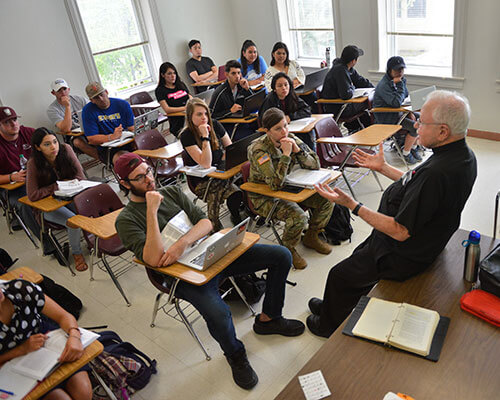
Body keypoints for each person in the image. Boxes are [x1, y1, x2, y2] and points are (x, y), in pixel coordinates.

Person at [114, 152, 305, 390]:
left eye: (149, 172)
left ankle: (270, 319)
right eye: (140, 177)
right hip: (180, 274)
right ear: (124, 183)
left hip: (207, 253)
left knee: (281, 256)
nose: (150, 180)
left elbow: (206, 223)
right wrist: (151, 211)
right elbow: (152, 258)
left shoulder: (172, 192)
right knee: (219, 313)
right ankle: (235, 354)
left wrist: (181, 244)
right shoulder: (126, 219)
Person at [307, 90, 477, 338]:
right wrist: (384, 167)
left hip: (405, 252)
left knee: (338, 275)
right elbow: (418, 184)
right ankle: (334, 307)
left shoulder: (438, 172)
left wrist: (353, 205)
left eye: (421, 121)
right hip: (423, 238)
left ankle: (327, 326)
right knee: (356, 258)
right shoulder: (462, 156)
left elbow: (400, 231)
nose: (416, 125)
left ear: (443, 131)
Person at [247, 108, 333, 269]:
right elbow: (274, 184)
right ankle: (288, 248)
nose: (284, 131)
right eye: (278, 129)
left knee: (327, 198)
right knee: (298, 216)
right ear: (267, 131)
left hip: (288, 187)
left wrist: (298, 151)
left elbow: (316, 165)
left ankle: (311, 236)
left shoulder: (290, 137)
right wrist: (286, 155)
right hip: (264, 196)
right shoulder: (259, 150)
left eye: (285, 126)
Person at [0, 279, 92, 399]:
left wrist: (74, 335)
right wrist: (20, 350)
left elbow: (63, 316)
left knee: (83, 392)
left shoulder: (19, 289)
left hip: (47, 342)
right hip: (12, 363)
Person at [26, 128, 88, 272]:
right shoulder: (33, 163)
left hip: (71, 197)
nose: (53, 147)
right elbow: (33, 195)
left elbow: (80, 177)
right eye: (47, 144)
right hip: (48, 206)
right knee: (74, 222)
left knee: (91, 209)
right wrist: (57, 186)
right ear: (38, 147)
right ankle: (77, 253)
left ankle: (92, 242)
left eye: (55, 142)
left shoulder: (66, 149)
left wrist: (64, 186)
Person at [180, 98, 243, 230]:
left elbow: (230, 149)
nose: (204, 117)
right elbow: (206, 163)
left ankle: (232, 216)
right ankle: (214, 225)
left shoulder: (214, 124)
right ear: (190, 117)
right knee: (228, 189)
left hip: (221, 172)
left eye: (205, 113)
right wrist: (205, 137)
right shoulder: (186, 135)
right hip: (202, 180)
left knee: (238, 187)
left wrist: (224, 164)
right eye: (199, 114)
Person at [0, 106, 55, 254]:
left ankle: (71, 224)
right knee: (24, 204)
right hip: (11, 186)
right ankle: (47, 243)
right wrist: (12, 177)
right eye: (7, 122)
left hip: (37, 177)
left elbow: (50, 146)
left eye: (14, 119)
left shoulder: (29, 133)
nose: (13, 124)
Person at [373, 56, 422, 164]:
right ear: (389, 70)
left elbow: (405, 96)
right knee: (415, 128)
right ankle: (405, 153)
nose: (400, 72)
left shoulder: (399, 80)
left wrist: (410, 113)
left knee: (422, 118)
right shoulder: (384, 85)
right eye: (397, 70)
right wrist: (400, 84)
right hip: (387, 118)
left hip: (398, 114)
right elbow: (396, 103)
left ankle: (413, 147)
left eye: (402, 69)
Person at [81, 82, 135, 165]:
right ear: (92, 100)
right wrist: (112, 137)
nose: (101, 99)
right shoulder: (88, 111)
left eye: (102, 94)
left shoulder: (123, 104)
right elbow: (92, 138)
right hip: (107, 148)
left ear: (106, 92)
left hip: (127, 141)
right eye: (96, 98)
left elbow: (132, 127)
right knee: (125, 160)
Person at [321, 45, 373, 130]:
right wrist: (352, 87)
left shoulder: (348, 68)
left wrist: (374, 89)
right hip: (337, 107)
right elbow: (346, 95)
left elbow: (360, 81)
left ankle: (355, 127)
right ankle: (367, 130)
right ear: (353, 61)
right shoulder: (340, 71)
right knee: (368, 102)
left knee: (369, 101)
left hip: (343, 105)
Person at [46, 78, 99, 160]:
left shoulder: (79, 99)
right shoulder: (52, 109)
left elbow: (95, 111)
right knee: (78, 142)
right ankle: (104, 160)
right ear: (53, 93)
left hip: (89, 127)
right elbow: (66, 129)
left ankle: (109, 156)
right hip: (73, 135)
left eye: (64, 89)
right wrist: (67, 106)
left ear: (69, 89)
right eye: (59, 90)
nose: (63, 92)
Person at [259, 72, 313, 149]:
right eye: (280, 86)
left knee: (307, 136)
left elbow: (307, 110)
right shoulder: (269, 100)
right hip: (277, 133)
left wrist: (290, 117)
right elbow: (263, 120)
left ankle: (309, 156)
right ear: (274, 89)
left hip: (292, 128)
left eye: (286, 85)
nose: (284, 88)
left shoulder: (291, 96)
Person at [155, 62, 192, 137]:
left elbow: (190, 97)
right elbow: (167, 109)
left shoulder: (180, 84)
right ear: (162, 75)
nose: (173, 76)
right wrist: (185, 108)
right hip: (178, 123)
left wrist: (192, 104)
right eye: (169, 74)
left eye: (174, 73)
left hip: (190, 116)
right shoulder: (160, 90)